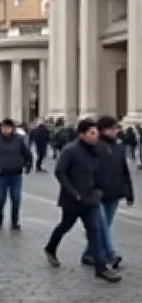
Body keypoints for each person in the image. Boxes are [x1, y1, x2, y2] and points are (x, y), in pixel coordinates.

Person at [43, 118, 121, 282]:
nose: (96, 136)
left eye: (96, 133)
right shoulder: (70, 150)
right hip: (72, 200)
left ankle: (101, 268)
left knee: (95, 231)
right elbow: (60, 172)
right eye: (92, 133)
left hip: (90, 199)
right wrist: (73, 192)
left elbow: (99, 172)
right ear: (82, 134)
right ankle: (51, 248)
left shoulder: (96, 150)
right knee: (65, 226)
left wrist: (99, 191)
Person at [80, 116, 134, 267]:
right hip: (98, 193)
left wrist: (129, 192)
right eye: (112, 128)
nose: (116, 131)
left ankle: (89, 253)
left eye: (116, 128)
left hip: (114, 193)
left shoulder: (119, 146)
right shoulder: (95, 146)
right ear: (103, 130)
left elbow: (124, 171)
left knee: (104, 225)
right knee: (102, 225)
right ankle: (110, 254)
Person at [0, 118, 32, 230]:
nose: (6, 129)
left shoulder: (18, 140)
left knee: (16, 198)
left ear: (12, 128)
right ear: (1, 128)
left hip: (15, 174)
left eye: (9, 127)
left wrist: (28, 165)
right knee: (1, 199)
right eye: (4, 127)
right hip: (1, 175)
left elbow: (27, 153)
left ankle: (14, 221)